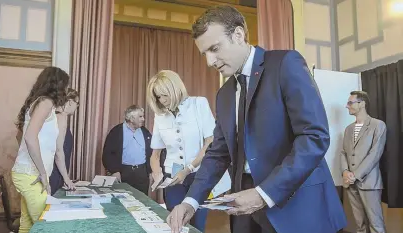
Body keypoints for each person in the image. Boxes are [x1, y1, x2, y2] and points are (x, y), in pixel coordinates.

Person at [166, 6, 347, 233]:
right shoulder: (224, 94)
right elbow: (218, 153)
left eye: (214, 49)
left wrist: (264, 193)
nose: (210, 61)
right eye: (205, 54)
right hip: (245, 210)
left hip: (296, 206)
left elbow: (314, 137)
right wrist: (190, 202)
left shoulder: (285, 63)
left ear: (239, 35)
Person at [147, 70, 215, 232]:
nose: (162, 101)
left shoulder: (199, 104)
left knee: (197, 226)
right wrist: (157, 174)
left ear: (175, 89)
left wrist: (188, 169)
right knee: (176, 224)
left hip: (199, 176)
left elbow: (210, 143)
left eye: (165, 95)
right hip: (173, 180)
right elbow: (155, 155)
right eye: (158, 97)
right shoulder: (160, 116)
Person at [11, 67, 76, 233]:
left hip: (26, 173)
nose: (66, 90)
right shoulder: (45, 102)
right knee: (47, 227)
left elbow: (24, 137)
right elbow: (29, 137)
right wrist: (42, 172)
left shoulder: (41, 103)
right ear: (57, 85)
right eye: (65, 86)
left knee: (27, 226)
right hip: (30, 175)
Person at [341, 91, 387, 233]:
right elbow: (343, 152)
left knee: (376, 225)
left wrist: (355, 174)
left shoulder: (378, 125)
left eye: (350, 103)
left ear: (362, 104)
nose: (346, 106)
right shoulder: (348, 129)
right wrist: (345, 171)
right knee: (359, 225)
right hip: (350, 183)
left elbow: (375, 154)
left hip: (369, 183)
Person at [102, 105, 152, 195]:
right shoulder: (116, 131)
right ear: (132, 118)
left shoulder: (145, 131)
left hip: (142, 173)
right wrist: (114, 171)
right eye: (140, 117)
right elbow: (107, 154)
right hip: (123, 172)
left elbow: (151, 152)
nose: (143, 119)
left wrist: (150, 171)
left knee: (142, 202)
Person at [49, 88, 79, 195]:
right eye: (77, 103)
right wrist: (66, 178)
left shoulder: (55, 116)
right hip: (54, 172)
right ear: (70, 102)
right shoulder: (60, 118)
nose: (77, 106)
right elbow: (58, 151)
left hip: (56, 171)